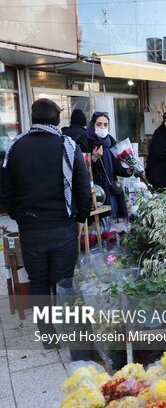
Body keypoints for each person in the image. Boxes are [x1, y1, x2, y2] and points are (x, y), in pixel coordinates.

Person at [0, 98, 91, 344]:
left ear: (33, 118)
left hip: (31, 229)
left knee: (38, 282)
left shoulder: (15, 147)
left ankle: (49, 337)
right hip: (62, 226)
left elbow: (6, 192)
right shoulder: (66, 145)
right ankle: (75, 337)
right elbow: (83, 188)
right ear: (56, 119)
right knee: (63, 283)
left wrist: (21, 218)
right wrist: (81, 218)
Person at [87, 111, 133, 219]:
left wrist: (127, 171)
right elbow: (82, 171)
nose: (102, 127)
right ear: (93, 125)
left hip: (111, 190)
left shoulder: (110, 142)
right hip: (96, 193)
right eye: (99, 124)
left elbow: (116, 166)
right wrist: (93, 159)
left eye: (105, 124)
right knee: (98, 223)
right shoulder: (86, 142)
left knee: (113, 221)